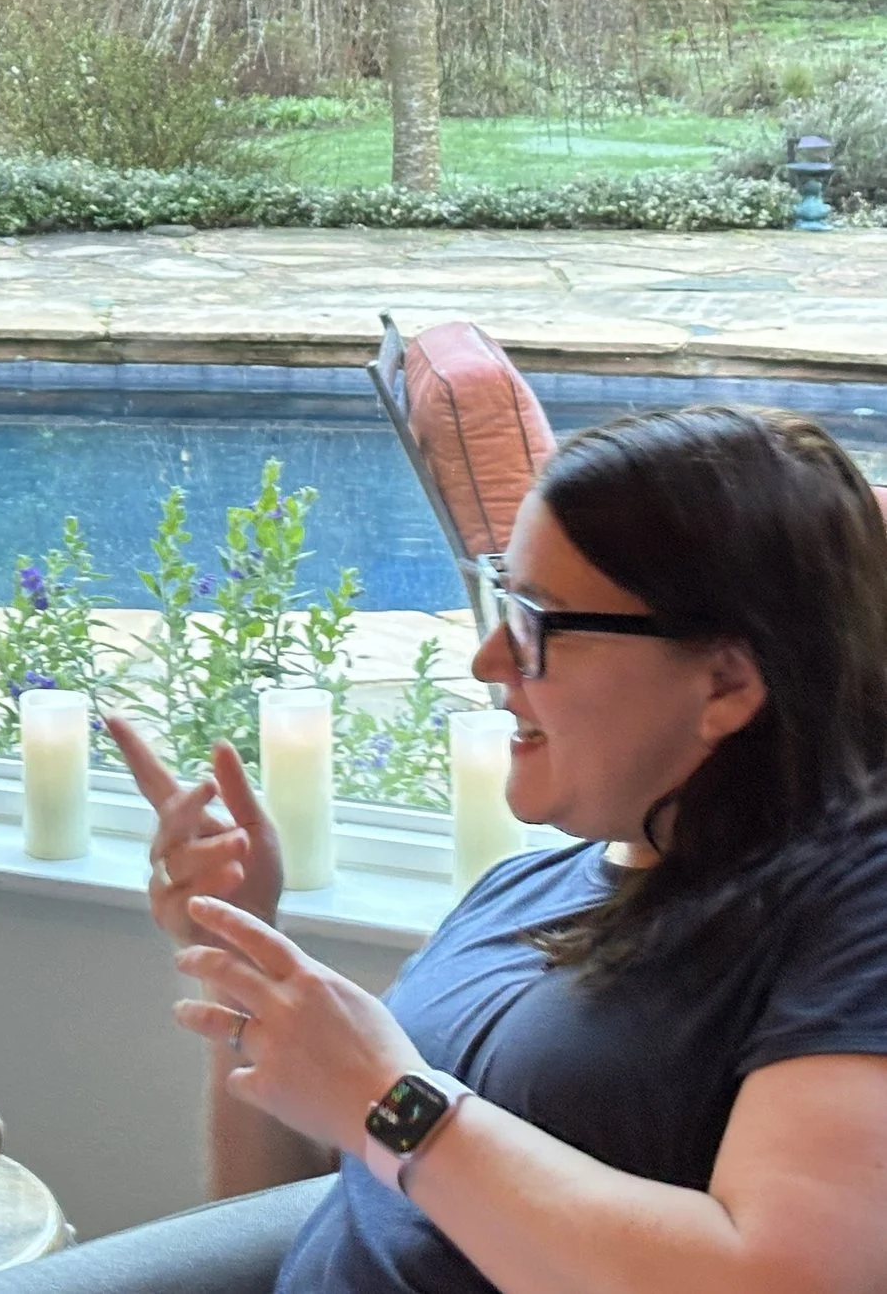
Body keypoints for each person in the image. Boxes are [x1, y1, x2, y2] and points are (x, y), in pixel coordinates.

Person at [110, 404, 887, 1294]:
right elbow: (299, 1205)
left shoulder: (851, 914)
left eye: (537, 624)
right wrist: (242, 964)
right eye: (500, 601)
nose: (487, 661)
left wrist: (392, 1100)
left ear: (726, 681)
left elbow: (787, 1279)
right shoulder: (521, 890)